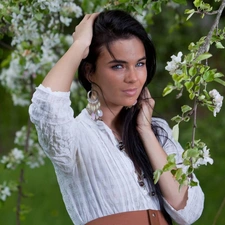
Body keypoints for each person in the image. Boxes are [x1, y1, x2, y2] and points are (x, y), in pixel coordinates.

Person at [29, 10, 204, 225]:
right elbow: (47, 106)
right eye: (118, 66)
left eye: (140, 64)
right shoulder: (74, 137)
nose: (133, 77)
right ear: (89, 72)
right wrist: (79, 46)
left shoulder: (157, 131)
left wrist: (145, 131)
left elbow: (186, 209)